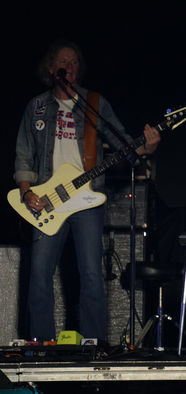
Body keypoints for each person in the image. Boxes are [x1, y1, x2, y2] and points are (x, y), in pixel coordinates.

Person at [14, 40, 161, 343]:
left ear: (78, 70)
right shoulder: (37, 106)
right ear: (51, 69)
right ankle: (41, 343)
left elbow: (122, 145)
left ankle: (94, 345)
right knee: (40, 274)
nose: (68, 66)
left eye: (74, 62)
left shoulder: (94, 103)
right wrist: (27, 192)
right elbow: (24, 154)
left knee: (92, 275)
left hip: (87, 198)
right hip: (48, 199)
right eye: (62, 61)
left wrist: (145, 148)